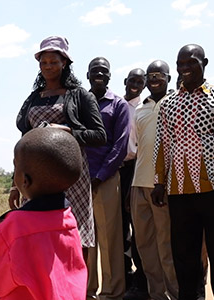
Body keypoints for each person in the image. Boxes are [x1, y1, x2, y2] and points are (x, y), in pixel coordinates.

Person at [14, 36, 106, 261]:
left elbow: (99, 135)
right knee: (37, 234)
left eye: (53, 61)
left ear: (64, 62)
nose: (48, 66)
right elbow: (24, 142)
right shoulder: (33, 98)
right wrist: (14, 184)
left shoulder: (80, 95)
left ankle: (74, 290)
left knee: (72, 234)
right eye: (43, 62)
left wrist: (66, 131)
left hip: (69, 176)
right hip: (34, 178)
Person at [0, 127, 87, 300]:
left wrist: (6, 228)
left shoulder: (15, 227)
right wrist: (8, 221)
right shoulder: (68, 219)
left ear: (25, 180)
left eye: (15, 167)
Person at [151, 44, 214, 299]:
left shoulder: (213, 99)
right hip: (178, 191)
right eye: (181, 64)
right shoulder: (168, 104)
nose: (185, 68)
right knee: (183, 253)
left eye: (191, 63)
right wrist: (158, 183)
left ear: (205, 63)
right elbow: (162, 144)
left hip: (211, 187)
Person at [131, 60, 178, 300]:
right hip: (139, 184)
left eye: (160, 75)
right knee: (145, 246)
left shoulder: (176, 104)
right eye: (150, 75)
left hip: (165, 186)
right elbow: (136, 145)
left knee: (166, 245)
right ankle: (156, 294)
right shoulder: (140, 109)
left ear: (169, 78)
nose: (154, 79)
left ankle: (175, 294)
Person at [85, 57, 130, 300]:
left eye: (103, 71)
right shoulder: (81, 102)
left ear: (109, 76)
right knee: (85, 239)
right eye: (95, 71)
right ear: (88, 74)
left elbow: (120, 145)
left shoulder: (118, 105)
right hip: (80, 182)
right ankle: (87, 290)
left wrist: (100, 176)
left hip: (107, 179)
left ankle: (112, 292)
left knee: (109, 238)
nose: (99, 74)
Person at [120, 68, 149, 300]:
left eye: (140, 81)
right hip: (115, 171)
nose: (135, 84)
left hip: (136, 169)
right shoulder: (117, 105)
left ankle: (142, 282)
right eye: (132, 80)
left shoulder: (143, 109)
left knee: (139, 229)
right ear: (125, 82)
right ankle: (125, 279)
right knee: (120, 230)